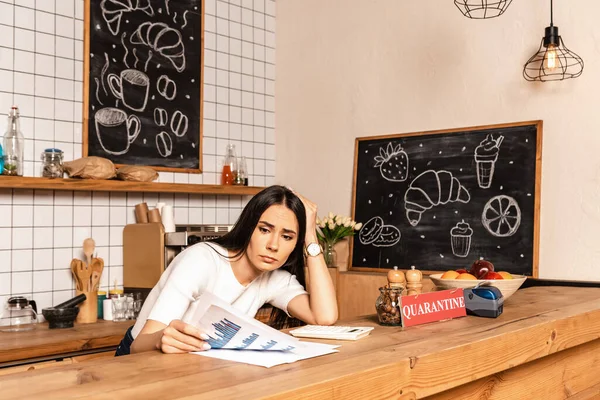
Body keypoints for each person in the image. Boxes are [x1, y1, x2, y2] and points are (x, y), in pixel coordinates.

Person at [115, 185, 338, 356]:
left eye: (287, 236)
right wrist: (161, 339)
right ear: (248, 227)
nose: (274, 245)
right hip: (140, 359)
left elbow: (325, 317)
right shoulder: (201, 260)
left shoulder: (275, 279)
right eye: (264, 230)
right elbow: (138, 345)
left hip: (196, 365)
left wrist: (310, 235)